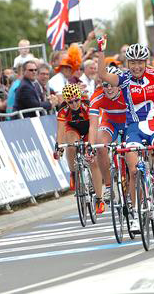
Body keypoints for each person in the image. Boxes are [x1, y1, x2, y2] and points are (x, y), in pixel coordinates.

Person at [96, 31, 154, 233]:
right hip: (133, 129)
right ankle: (135, 216)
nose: (136, 66)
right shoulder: (123, 78)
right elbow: (102, 75)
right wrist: (101, 51)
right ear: (128, 63)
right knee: (134, 171)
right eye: (132, 62)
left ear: (146, 62)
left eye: (140, 62)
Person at [56, 83, 105, 214]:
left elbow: (94, 126)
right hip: (73, 129)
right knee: (71, 144)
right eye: (70, 102)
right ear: (66, 101)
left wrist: (91, 145)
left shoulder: (87, 105)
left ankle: (99, 199)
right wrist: (59, 147)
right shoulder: (63, 110)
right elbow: (60, 131)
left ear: (80, 97)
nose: (74, 104)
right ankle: (73, 172)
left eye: (76, 100)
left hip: (89, 128)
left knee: (93, 161)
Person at [88, 66, 126, 204]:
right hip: (110, 123)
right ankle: (109, 187)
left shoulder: (127, 92)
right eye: (105, 85)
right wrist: (90, 146)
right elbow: (93, 125)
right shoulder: (97, 96)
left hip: (129, 124)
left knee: (131, 151)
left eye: (112, 85)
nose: (109, 88)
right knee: (100, 145)